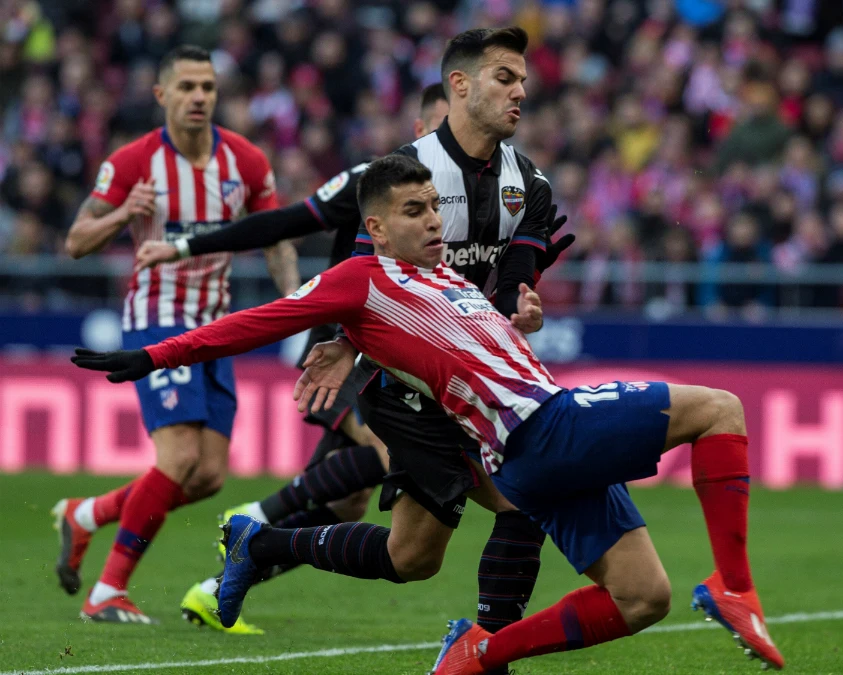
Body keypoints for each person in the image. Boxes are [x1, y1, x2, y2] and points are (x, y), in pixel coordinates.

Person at [73, 153, 785, 672]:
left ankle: (479, 652)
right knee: (720, 408)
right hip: (542, 428)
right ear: (376, 227)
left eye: (434, 208)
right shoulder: (362, 278)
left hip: (526, 455)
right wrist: (157, 357)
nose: (433, 222)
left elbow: (462, 349)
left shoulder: (443, 277)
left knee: (643, 598)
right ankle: (734, 585)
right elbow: (265, 319)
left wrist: (519, 317)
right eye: (414, 212)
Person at [137, 29, 573, 659]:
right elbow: (288, 222)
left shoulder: (518, 182)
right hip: (367, 352)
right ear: (449, 101)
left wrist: (520, 302)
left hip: (451, 361)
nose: (520, 95)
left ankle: (248, 544)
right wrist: (183, 246)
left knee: (382, 524)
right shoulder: (384, 177)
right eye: (505, 80)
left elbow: (504, 285)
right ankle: (483, 646)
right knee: (480, 489)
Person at [142, 83, 448, 636]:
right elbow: (284, 222)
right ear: (425, 130)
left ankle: (220, 583)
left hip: (412, 355)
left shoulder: (472, 195)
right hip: (350, 350)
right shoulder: (370, 182)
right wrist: (188, 246)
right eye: (444, 129)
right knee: (384, 456)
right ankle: (256, 519)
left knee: (348, 502)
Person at [52, 45, 296, 624]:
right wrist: (120, 216)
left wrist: (295, 304)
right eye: (186, 87)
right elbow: (76, 241)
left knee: (209, 474)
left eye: (207, 87)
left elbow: (279, 236)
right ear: (162, 95)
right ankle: (107, 591)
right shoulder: (135, 162)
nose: (199, 98)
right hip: (158, 318)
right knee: (180, 455)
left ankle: (85, 515)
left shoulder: (246, 161)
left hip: (217, 326)